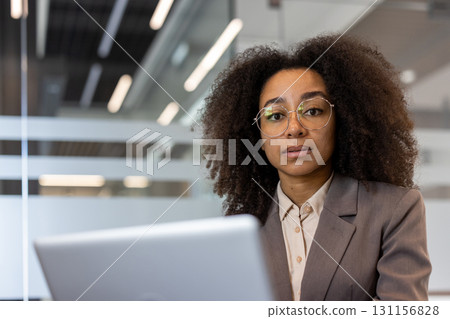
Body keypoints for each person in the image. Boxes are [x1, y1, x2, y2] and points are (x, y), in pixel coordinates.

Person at [200, 34, 431, 301]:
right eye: (276, 116)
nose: (295, 129)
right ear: (258, 137)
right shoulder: (241, 229)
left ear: (341, 122)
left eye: (312, 111)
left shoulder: (395, 210)